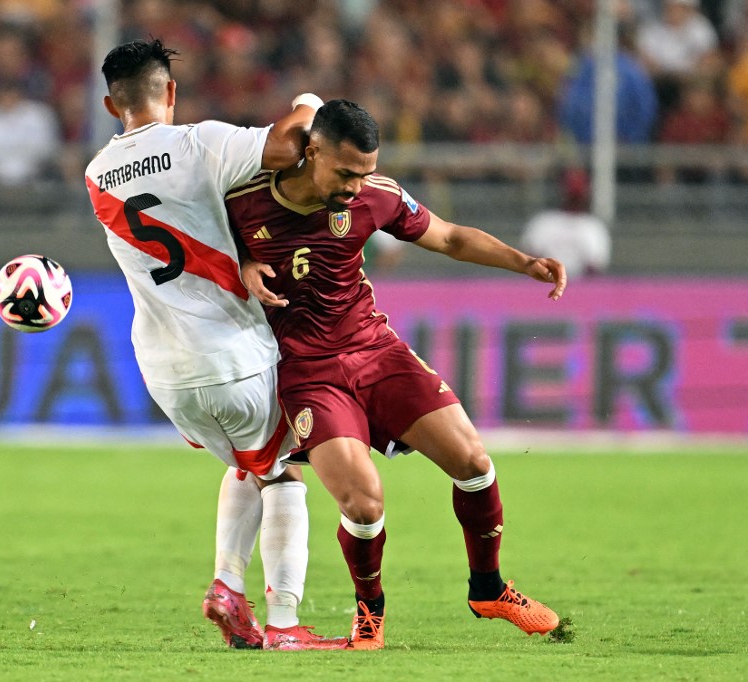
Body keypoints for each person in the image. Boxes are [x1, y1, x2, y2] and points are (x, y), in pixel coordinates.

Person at [226, 99, 566, 650]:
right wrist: (238, 264)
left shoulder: (375, 195)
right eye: (345, 173)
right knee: (363, 503)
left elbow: (450, 237)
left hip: (377, 350)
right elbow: (197, 251)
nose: (357, 186)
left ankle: (489, 587)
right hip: (309, 372)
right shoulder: (242, 201)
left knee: (474, 463)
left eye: (365, 172)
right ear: (312, 151)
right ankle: (370, 613)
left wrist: (524, 262)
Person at [83, 39, 346, 651]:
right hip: (231, 354)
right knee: (282, 475)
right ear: (170, 92)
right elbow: (291, 144)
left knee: (246, 466)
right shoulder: (198, 143)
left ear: (109, 104)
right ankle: (283, 623)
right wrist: (308, 103)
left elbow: (185, 224)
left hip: (164, 374)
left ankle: (229, 584)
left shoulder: (97, 174)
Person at [520, 169, 611, 280]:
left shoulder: (593, 227)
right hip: (544, 285)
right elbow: (529, 259)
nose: (574, 197)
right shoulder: (543, 222)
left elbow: (595, 266)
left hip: (581, 289)